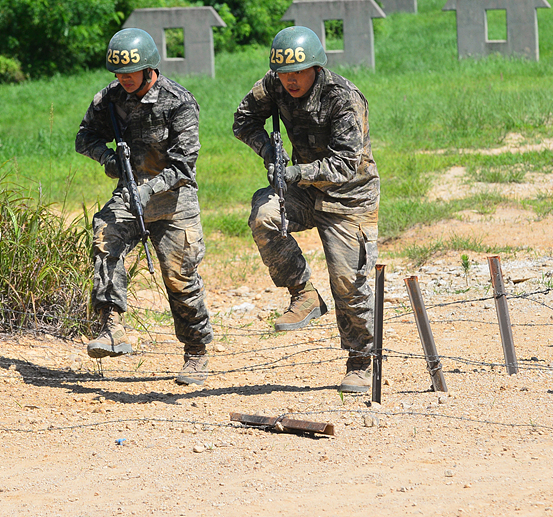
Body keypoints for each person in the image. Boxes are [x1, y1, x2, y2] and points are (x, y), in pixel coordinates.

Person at [233, 26, 380, 394]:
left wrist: (295, 170)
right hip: (302, 189)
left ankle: (361, 362)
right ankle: (302, 294)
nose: (290, 81)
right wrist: (271, 152)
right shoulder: (273, 84)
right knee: (264, 215)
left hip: (349, 196)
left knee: (348, 283)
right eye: (284, 74)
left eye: (297, 73)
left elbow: (345, 164)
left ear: (316, 67)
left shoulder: (343, 98)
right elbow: (243, 120)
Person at [75, 28, 213, 385]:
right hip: (128, 194)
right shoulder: (110, 99)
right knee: (105, 233)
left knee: (180, 278)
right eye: (118, 73)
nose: (123, 79)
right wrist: (108, 159)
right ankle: (111, 327)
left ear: (149, 68)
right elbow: (84, 136)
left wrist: (149, 189)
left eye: (129, 73)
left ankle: (195, 353)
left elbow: (184, 165)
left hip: (173, 201)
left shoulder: (178, 102)